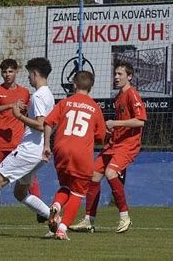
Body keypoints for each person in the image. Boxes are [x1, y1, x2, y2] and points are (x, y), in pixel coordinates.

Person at [0, 57, 55, 237]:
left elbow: (41, 124)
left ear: (35, 73)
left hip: (28, 149)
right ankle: (53, 217)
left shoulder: (38, 95)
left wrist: (18, 116)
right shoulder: (49, 94)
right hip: (38, 149)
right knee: (20, 193)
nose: (28, 78)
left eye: (29, 74)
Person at [70, 60, 147, 233]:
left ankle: (124, 217)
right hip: (114, 144)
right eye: (115, 74)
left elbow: (140, 121)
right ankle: (89, 220)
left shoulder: (132, 94)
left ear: (130, 76)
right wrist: (113, 130)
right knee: (93, 176)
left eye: (120, 74)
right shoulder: (119, 96)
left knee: (110, 173)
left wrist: (114, 123)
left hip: (128, 145)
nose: (116, 77)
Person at [42, 71, 106, 240]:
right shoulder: (95, 107)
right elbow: (100, 136)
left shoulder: (64, 103)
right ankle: (62, 229)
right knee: (78, 192)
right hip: (81, 153)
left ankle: (56, 205)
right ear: (91, 87)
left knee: (65, 186)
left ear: (74, 85)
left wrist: (46, 145)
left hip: (60, 149)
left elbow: (48, 122)